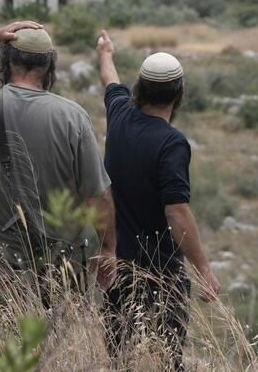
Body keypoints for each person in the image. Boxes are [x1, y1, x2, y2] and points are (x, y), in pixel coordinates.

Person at [0, 21, 116, 302]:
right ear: (49, 66)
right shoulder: (72, 117)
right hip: (58, 268)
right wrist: (107, 249)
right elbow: (97, 195)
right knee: (61, 330)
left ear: (6, 61)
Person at [95, 29, 219, 371]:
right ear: (179, 93)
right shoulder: (171, 143)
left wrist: (105, 52)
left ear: (139, 87)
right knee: (166, 361)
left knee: (119, 360)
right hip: (159, 275)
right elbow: (176, 213)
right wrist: (203, 268)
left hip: (117, 269)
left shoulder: (119, 115)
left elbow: (109, 80)